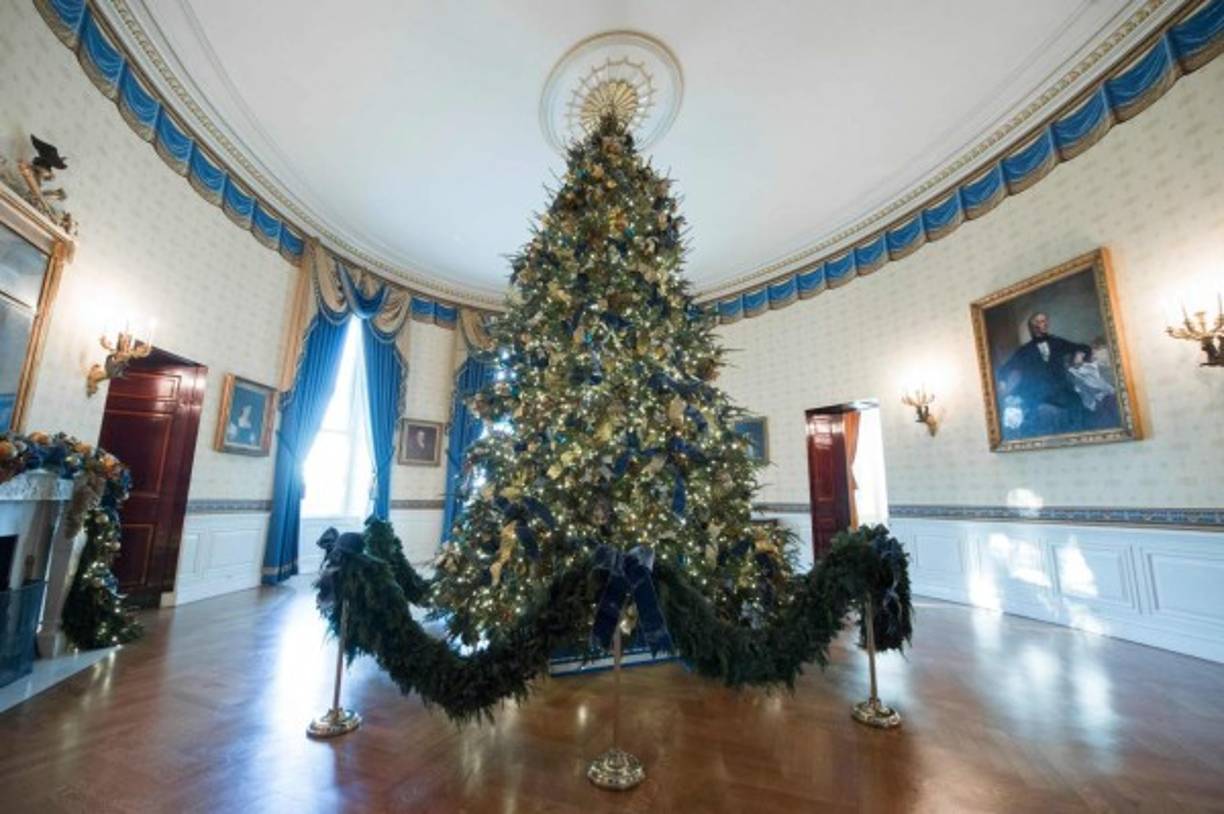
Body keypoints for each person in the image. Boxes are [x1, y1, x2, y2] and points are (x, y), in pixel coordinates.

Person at [997, 312, 1092, 438]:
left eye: (1045, 321)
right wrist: (1002, 381)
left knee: (1076, 403)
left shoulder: (1057, 342)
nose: (1045, 323)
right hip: (1037, 393)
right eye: (1041, 321)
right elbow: (1006, 368)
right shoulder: (1025, 350)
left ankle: (1080, 437)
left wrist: (1080, 354)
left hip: (1060, 389)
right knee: (1029, 418)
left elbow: (1083, 347)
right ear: (1033, 326)